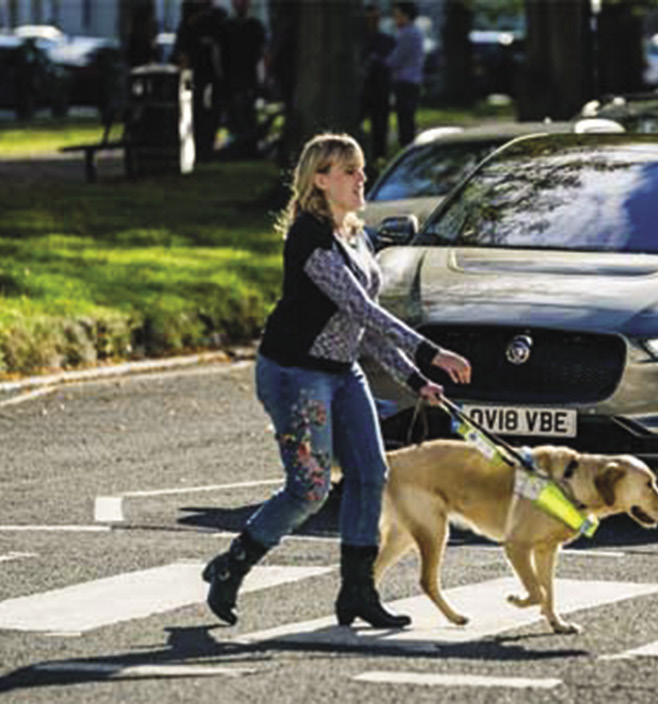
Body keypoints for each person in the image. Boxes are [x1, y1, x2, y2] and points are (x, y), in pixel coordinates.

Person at [202, 133, 472, 628]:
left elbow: (361, 329)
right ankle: (232, 565)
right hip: (295, 373)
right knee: (310, 489)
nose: (360, 179)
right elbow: (360, 308)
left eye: (362, 169)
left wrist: (416, 381)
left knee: (372, 474)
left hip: (343, 372)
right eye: (348, 171)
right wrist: (432, 354)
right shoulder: (308, 235)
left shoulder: (356, 233)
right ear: (319, 180)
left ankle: (357, 594)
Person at [175, 0, 226, 161]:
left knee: (206, 112)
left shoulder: (211, 22)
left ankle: (204, 146)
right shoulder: (194, 24)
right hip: (199, 74)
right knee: (199, 112)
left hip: (205, 75)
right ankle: (201, 147)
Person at [220, 0, 268, 154]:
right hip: (232, 77)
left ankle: (247, 146)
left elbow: (261, 54)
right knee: (236, 113)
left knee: (247, 112)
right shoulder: (228, 27)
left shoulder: (254, 27)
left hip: (248, 77)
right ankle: (240, 145)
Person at [385, 2, 425, 148]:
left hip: (406, 81)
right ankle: (407, 145)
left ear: (406, 16)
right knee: (407, 118)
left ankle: (407, 147)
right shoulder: (414, 32)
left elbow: (396, 59)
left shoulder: (408, 33)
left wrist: (381, 62)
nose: (395, 19)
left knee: (405, 119)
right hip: (412, 80)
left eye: (398, 15)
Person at [361, 3, 395, 166]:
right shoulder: (359, 41)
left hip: (380, 89)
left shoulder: (386, 40)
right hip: (363, 90)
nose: (372, 22)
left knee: (380, 125)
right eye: (369, 18)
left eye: (375, 18)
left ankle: (378, 157)